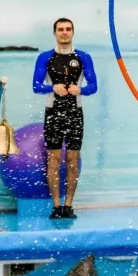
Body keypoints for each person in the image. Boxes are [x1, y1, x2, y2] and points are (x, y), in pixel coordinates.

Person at [31, 18, 98, 219]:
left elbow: (93, 86)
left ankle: (68, 205)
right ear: (55, 33)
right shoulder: (45, 57)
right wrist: (52, 87)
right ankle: (56, 205)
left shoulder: (83, 57)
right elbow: (35, 86)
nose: (64, 33)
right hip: (53, 112)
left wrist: (81, 90)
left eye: (68, 29)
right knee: (54, 158)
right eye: (61, 29)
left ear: (73, 33)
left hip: (75, 113)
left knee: (72, 159)